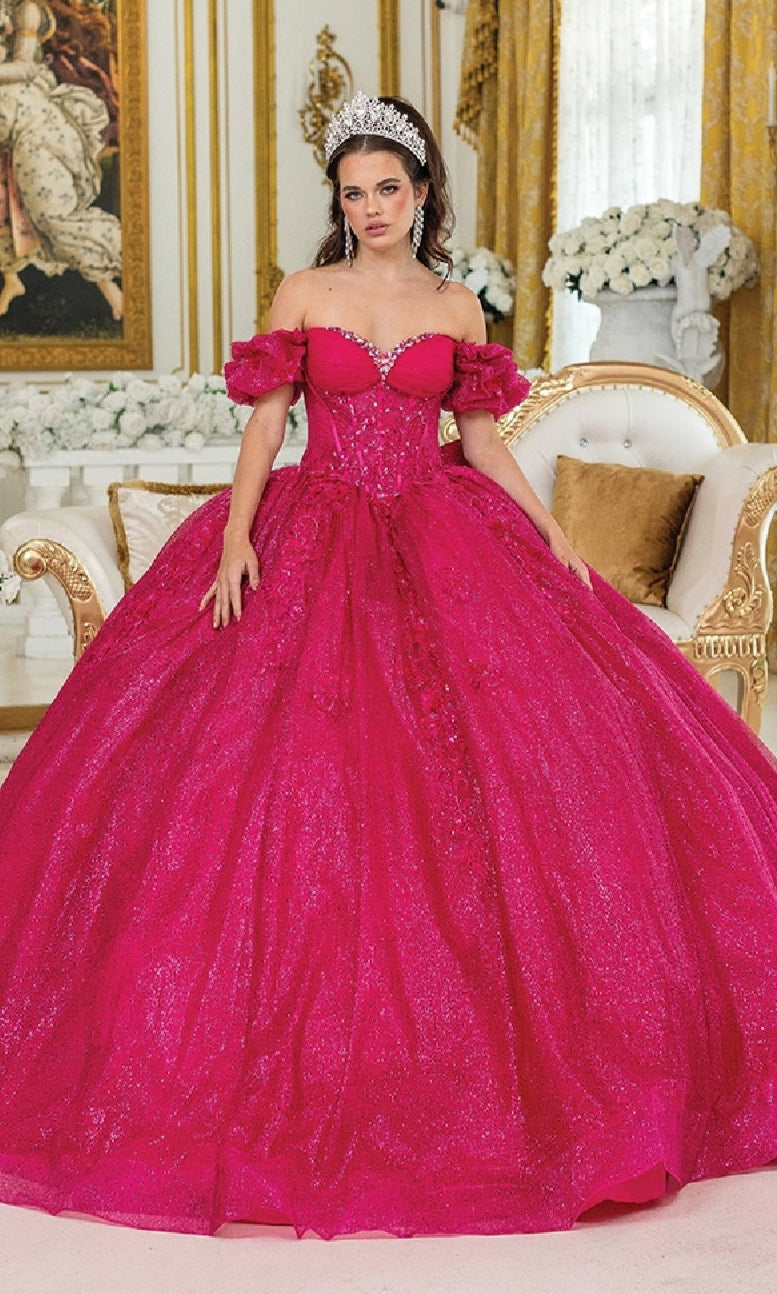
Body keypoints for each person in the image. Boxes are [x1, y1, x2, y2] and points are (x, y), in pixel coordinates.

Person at [2, 92, 777, 1242]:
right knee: (277, 781)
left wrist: (553, 532)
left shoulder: (456, 303)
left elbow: (478, 438)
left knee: (487, 777)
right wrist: (233, 537)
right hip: (313, 526)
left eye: (389, 189)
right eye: (353, 192)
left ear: (422, 194)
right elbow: (266, 427)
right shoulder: (306, 295)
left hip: (440, 525)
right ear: (342, 202)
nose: (370, 209)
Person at [0, 0, 122, 321]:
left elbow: (25, 69)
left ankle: (110, 285)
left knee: (50, 211)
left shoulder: (26, 9)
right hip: (6, 113)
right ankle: (12, 279)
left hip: (28, 111)